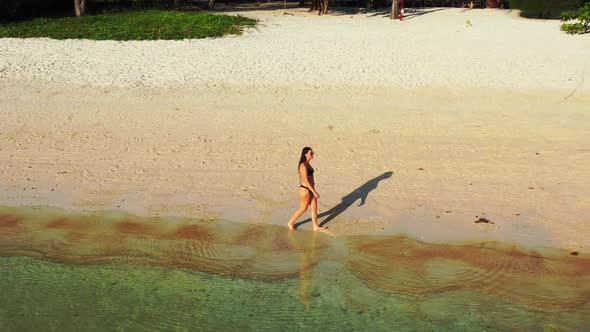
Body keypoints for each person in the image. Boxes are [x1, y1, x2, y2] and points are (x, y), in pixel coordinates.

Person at [287, 147, 324, 231]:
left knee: (314, 207)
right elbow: (306, 181)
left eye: (313, 153)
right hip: (305, 190)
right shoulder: (303, 166)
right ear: (305, 154)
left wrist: (313, 190)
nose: (313, 154)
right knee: (304, 208)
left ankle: (315, 226)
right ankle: (290, 222)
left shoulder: (308, 163)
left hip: (311, 189)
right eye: (311, 153)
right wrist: (314, 192)